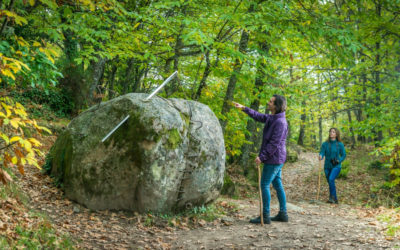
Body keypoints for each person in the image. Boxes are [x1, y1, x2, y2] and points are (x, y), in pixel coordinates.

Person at [233, 95, 289, 224]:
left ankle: (265, 216)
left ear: (276, 106)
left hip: (274, 159)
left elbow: (274, 143)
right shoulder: (273, 118)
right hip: (276, 158)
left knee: (264, 185)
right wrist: (244, 108)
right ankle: (283, 214)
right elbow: (259, 116)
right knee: (277, 184)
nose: (268, 103)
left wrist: (262, 157)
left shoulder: (280, 122)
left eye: (270, 101)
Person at [318, 128, 346, 204]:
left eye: (333, 132)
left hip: (336, 166)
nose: (331, 133)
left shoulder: (340, 144)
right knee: (330, 182)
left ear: (336, 134)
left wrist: (339, 160)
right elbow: (322, 152)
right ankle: (332, 198)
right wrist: (320, 155)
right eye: (330, 131)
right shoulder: (325, 144)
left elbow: (344, 155)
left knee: (331, 179)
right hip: (327, 166)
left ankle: (333, 198)